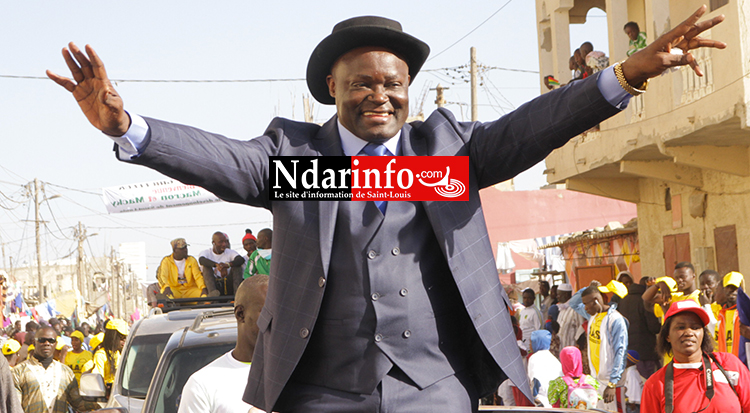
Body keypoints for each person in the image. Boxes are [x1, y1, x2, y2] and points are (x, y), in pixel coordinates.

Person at [47, 7, 726, 412]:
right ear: (332, 91)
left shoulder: (441, 156)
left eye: (392, 84)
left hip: (434, 389)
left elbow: (529, 128)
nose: (380, 95)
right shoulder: (300, 162)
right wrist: (128, 125)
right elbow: (224, 159)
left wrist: (626, 74)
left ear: (409, 90)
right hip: (320, 391)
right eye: (362, 83)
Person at [179, 275, 269, 413]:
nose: (277, 323)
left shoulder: (300, 377)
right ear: (240, 314)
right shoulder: (202, 384)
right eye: (267, 315)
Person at [641, 299, 750, 412]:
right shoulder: (655, 385)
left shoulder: (729, 364)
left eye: (695, 327)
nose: (689, 333)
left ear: (703, 333)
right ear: (667, 335)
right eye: (681, 327)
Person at [11, 327, 99, 413]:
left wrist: (100, 402)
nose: (47, 343)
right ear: (34, 342)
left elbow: (78, 403)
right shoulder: (19, 371)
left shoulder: (66, 372)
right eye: (42, 340)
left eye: (51, 341)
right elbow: (15, 407)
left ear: (56, 344)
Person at [569, 283, 629, 410]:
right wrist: (588, 287)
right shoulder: (592, 315)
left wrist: (612, 383)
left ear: (596, 301)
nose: (584, 308)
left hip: (612, 383)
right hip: (596, 380)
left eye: (586, 304)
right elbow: (573, 303)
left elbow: (621, 351)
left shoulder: (616, 319)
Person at [617, 279, 662, 378]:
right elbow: (654, 327)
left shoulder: (623, 301)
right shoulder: (644, 302)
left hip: (629, 351)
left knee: (634, 382)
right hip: (646, 351)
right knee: (649, 381)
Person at [199, 232, 245, 296]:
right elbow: (201, 260)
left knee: (237, 267)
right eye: (221, 242)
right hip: (215, 284)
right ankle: (213, 296)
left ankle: (237, 295)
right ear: (213, 243)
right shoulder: (207, 252)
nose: (224, 244)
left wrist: (227, 265)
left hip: (228, 284)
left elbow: (241, 260)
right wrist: (217, 265)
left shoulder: (229, 252)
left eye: (225, 242)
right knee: (206, 267)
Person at [526, 329, 561, 407]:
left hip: (541, 401)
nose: (529, 345)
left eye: (531, 342)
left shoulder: (534, 358)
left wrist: (535, 397)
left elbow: (535, 380)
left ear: (537, 342)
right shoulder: (554, 359)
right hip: (553, 400)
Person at [92, 319, 128, 392]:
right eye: (121, 338)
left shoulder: (120, 353)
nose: (124, 341)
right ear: (112, 337)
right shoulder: (101, 355)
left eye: (125, 338)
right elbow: (98, 379)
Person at [714, 271, 744, 357]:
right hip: (725, 364)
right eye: (728, 287)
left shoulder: (745, 313)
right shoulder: (721, 314)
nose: (731, 290)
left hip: (743, 363)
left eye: (735, 287)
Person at [556, 283, 585, 349]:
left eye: (559, 295)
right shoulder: (562, 308)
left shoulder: (575, 310)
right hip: (562, 348)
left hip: (572, 348)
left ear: (566, 295)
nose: (557, 297)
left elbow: (581, 329)